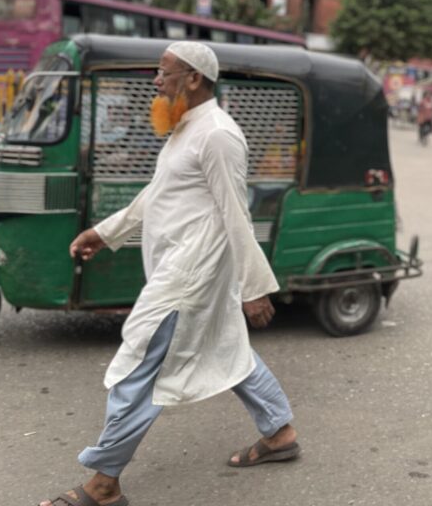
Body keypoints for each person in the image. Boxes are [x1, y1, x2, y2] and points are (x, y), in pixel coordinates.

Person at [40, 42, 299, 506]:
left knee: (138, 361)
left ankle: (103, 483)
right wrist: (104, 231)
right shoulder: (185, 128)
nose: (155, 81)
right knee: (224, 345)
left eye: (164, 72)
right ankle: (280, 433)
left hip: (190, 272)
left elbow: (236, 213)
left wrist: (254, 286)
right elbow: (156, 195)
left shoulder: (218, 134)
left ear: (194, 78)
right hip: (178, 264)